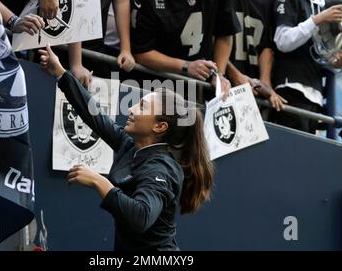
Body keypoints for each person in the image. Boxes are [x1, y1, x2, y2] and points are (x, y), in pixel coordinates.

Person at [39, 44, 215, 251]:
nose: (130, 109)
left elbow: (140, 217)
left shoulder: (161, 169)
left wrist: (99, 181)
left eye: (141, 107)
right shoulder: (131, 146)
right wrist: (60, 72)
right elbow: (94, 115)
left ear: (160, 126)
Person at [130, 0, 240, 98]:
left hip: (197, 84)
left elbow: (224, 34)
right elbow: (141, 52)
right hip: (154, 84)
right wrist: (186, 66)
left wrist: (218, 74)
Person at [271, 0, 342, 133]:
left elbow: (319, 54)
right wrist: (317, 20)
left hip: (313, 94)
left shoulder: (320, 5)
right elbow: (282, 41)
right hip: (291, 89)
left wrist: (336, 63)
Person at [51, 0, 135, 87]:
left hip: (93, 44)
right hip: (61, 46)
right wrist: (76, 64)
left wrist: (125, 49)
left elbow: (121, 1)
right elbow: (74, 6)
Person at [221, 0, 287, 112]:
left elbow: (265, 44)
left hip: (251, 88)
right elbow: (210, 38)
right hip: (220, 81)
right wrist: (234, 75)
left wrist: (265, 83)